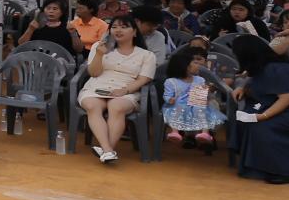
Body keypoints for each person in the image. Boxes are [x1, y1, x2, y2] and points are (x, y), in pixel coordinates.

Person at [230, 34, 289, 184]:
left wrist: (264, 116)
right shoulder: (262, 66)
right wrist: (243, 87)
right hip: (288, 109)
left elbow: (287, 99)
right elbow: (250, 77)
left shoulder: (278, 69)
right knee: (245, 118)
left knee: (262, 126)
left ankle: (282, 170)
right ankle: (257, 165)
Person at [78, 14, 158, 164]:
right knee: (92, 105)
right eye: (114, 27)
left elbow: (144, 79)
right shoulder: (99, 47)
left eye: (123, 27)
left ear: (134, 32)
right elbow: (94, 73)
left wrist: (125, 90)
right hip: (96, 87)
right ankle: (108, 150)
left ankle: (106, 149)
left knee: (117, 106)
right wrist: (100, 55)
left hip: (126, 89)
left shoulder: (147, 55)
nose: (118, 30)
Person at [161, 49, 223, 148]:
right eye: (195, 62)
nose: (198, 65)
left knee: (203, 109)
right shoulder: (172, 81)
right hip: (180, 105)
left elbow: (202, 94)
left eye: (199, 61)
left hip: (197, 103)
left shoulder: (200, 79)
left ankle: (205, 134)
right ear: (185, 66)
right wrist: (170, 99)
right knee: (178, 108)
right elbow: (168, 95)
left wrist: (206, 94)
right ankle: (180, 133)